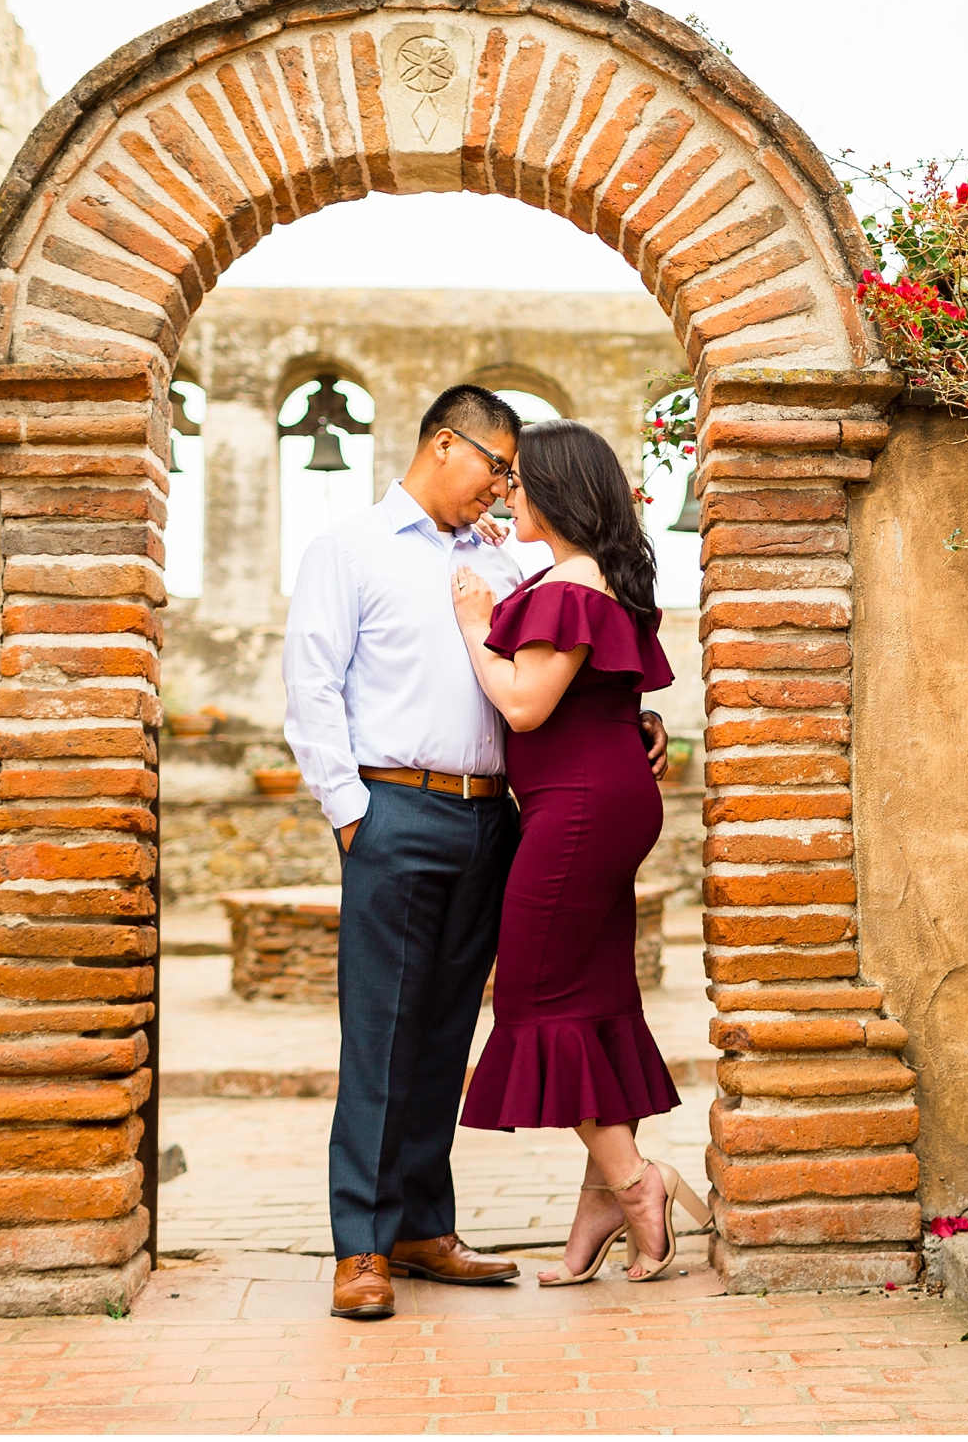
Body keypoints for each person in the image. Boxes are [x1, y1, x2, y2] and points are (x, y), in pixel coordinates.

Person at [283, 385, 670, 1320]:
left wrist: (630, 722)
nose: (504, 490)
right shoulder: (350, 548)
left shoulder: (501, 561)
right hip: (394, 807)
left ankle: (424, 1225)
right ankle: (364, 1244)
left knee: (448, 1027)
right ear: (445, 444)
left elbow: (559, 672)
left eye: (514, 476)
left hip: (495, 819)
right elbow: (311, 686)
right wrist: (351, 814)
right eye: (496, 467)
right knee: (381, 1032)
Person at [449, 419, 711, 1285]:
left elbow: (524, 705)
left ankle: (639, 1184)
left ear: (557, 490)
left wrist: (472, 621)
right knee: (592, 993)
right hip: (600, 799)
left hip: (578, 809)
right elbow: (602, 696)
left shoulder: (568, 585)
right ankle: (604, 1197)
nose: (506, 493)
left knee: (533, 994)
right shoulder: (580, 577)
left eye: (520, 482)